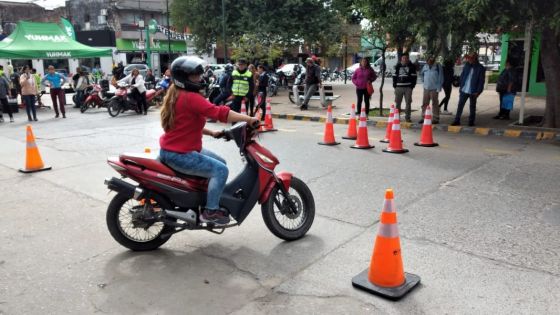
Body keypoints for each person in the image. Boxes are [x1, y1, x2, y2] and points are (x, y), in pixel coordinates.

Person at [159, 56, 258, 224]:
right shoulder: (191, 97)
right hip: (181, 153)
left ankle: (201, 198)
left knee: (221, 161)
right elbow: (220, 113)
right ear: (184, 79)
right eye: (195, 77)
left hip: (175, 150)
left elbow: (185, 125)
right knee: (220, 171)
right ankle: (210, 211)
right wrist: (249, 119)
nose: (199, 79)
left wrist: (212, 133)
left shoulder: (176, 94)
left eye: (199, 75)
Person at [451, 52, 485, 126]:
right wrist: (460, 84)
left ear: (475, 59)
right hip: (464, 89)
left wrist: (478, 92)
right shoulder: (467, 66)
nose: (469, 60)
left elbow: (481, 81)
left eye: (470, 58)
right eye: (469, 58)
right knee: (460, 105)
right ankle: (457, 120)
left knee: (472, 106)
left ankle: (471, 121)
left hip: (474, 91)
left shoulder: (480, 68)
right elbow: (463, 76)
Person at [393, 53, 417, 122]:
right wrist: (395, 85)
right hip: (398, 87)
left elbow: (414, 77)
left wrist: (412, 86)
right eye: (403, 58)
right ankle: (397, 117)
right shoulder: (397, 66)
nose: (405, 59)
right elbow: (394, 76)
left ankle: (407, 118)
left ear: (408, 59)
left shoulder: (412, 67)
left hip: (408, 88)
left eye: (406, 58)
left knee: (408, 103)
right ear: (401, 59)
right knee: (397, 103)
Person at [419, 56, 443, 124]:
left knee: (435, 104)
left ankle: (436, 118)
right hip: (426, 88)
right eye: (428, 60)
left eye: (431, 60)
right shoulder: (425, 66)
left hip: (434, 89)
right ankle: (423, 117)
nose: (429, 62)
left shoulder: (438, 66)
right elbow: (421, 74)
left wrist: (439, 87)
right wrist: (423, 81)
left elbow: (441, 77)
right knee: (424, 104)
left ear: (433, 60)